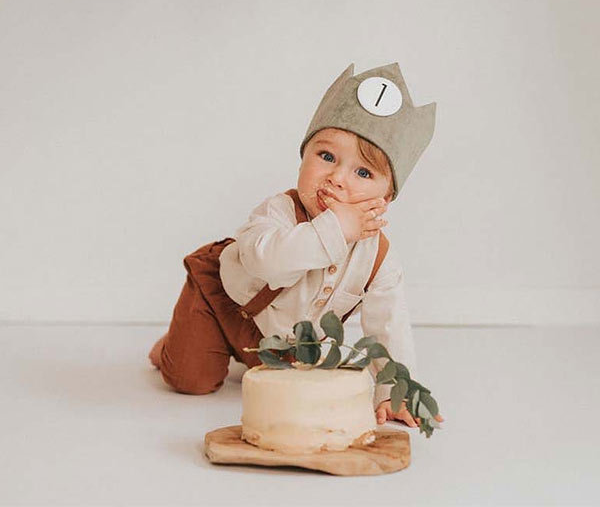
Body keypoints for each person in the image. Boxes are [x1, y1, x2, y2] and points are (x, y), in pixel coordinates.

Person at [149, 62, 444, 428]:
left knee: (293, 397)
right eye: (326, 157)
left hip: (281, 344)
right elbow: (266, 263)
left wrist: (394, 391)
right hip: (222, 301)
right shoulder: (280, 210)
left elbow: (389, 324)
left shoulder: (378, 257)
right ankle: (173, 345)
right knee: (191, 380)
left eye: (363, 172)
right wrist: (336, 229)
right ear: (304, 156)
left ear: (384, 199)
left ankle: (232, 353)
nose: (336, 178)